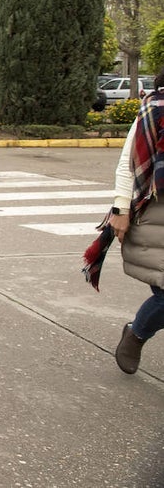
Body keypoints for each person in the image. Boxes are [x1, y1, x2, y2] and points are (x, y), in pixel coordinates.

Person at [107, 68, 164, 375]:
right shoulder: (153, 110)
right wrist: (120, 209)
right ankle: (137, 333)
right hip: (156, 212)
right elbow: (128, 164)